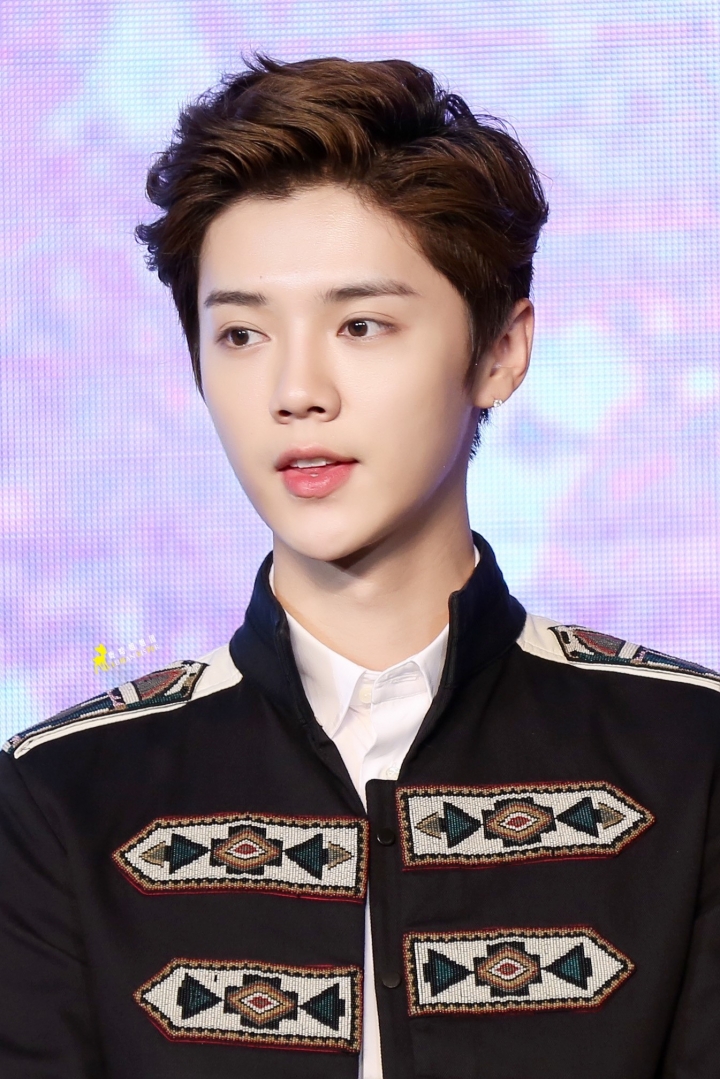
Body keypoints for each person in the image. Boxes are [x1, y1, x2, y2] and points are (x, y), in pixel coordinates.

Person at [0, 55, 718, 1079]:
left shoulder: (691, 756)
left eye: (361, 324)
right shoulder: (63, 793)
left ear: (501, 352)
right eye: (241, 332)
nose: (296, 389)